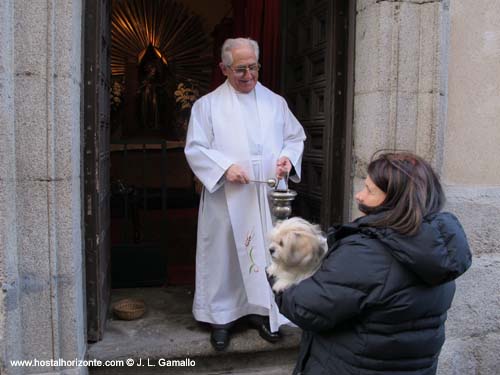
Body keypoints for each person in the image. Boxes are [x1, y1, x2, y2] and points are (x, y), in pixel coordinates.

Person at [271, 151, 472, 375]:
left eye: (369, 190)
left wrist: (279, 270)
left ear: (395, 200)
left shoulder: (368, 253)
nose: (359, 196)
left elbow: (306, 309)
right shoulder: (438, 248)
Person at [184, 37, 306, 351]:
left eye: (253, 67)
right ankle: (222, 318)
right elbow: (195, 148)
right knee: (224, 256)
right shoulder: (207, 106)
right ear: (223, 68)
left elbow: (295, 137)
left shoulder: (275, 102)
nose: (249, 75)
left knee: (266, 254)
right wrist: (224, 168)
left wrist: (287, 159)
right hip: (227, 198)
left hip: (265, 196)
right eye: (240, 69)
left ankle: (265, 313)